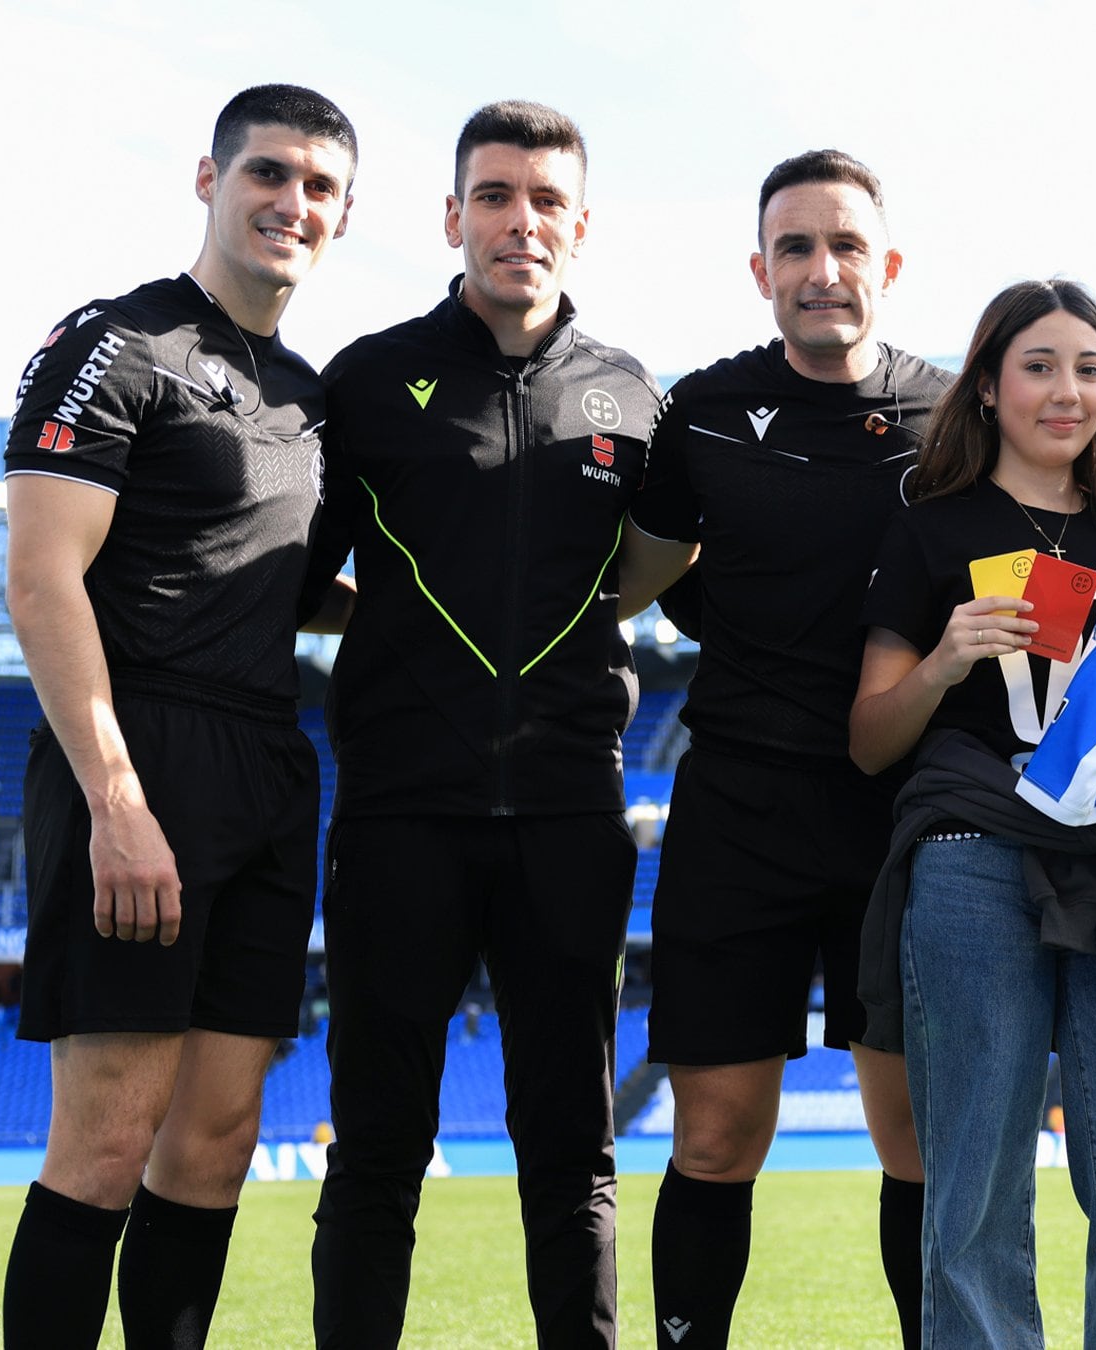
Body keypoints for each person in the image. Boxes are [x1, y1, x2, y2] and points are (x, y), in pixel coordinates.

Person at [628, 152, 1096, 1349]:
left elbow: (1057, 508)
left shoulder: (957, 411)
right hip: (741, 806)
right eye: (794, 248)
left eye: (846, 247)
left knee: (928, 1143)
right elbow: (648, 582)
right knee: (716, 1134)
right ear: (760, 268)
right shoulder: (706, 412)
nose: (822, 272)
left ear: (888, 265)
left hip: (910, 815)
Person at [303, 101, 677, 1348]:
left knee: (573, 1153)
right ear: (453, 215)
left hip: (571, 816)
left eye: (547, 201)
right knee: (377, 1155)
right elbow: (292, 569)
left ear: (581, 225)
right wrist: (401, 625)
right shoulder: (363, 379)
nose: (523, 221)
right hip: (400, 812)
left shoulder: (634, 398)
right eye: (497, 195)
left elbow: (660, 571)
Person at [0, 84, 357, 1349]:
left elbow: (307, 594)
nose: (291, 204)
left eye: (319, 188)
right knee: (105, 1140)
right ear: (211, 183)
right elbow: (41, 577)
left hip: (269, 760)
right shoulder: (122, 342)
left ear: (345, 216)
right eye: (267, 174)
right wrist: (117, 799)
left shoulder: (314, 399)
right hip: (142, 751)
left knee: (213, 1146)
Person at [850, 279, 1096, 1346]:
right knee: (975, 1204)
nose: (1067, 390)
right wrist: (948, 656)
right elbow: (869, 738)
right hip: (972, 859)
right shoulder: (930, 532)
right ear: (991, 385)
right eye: (1040, 366)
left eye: (1089, 368)